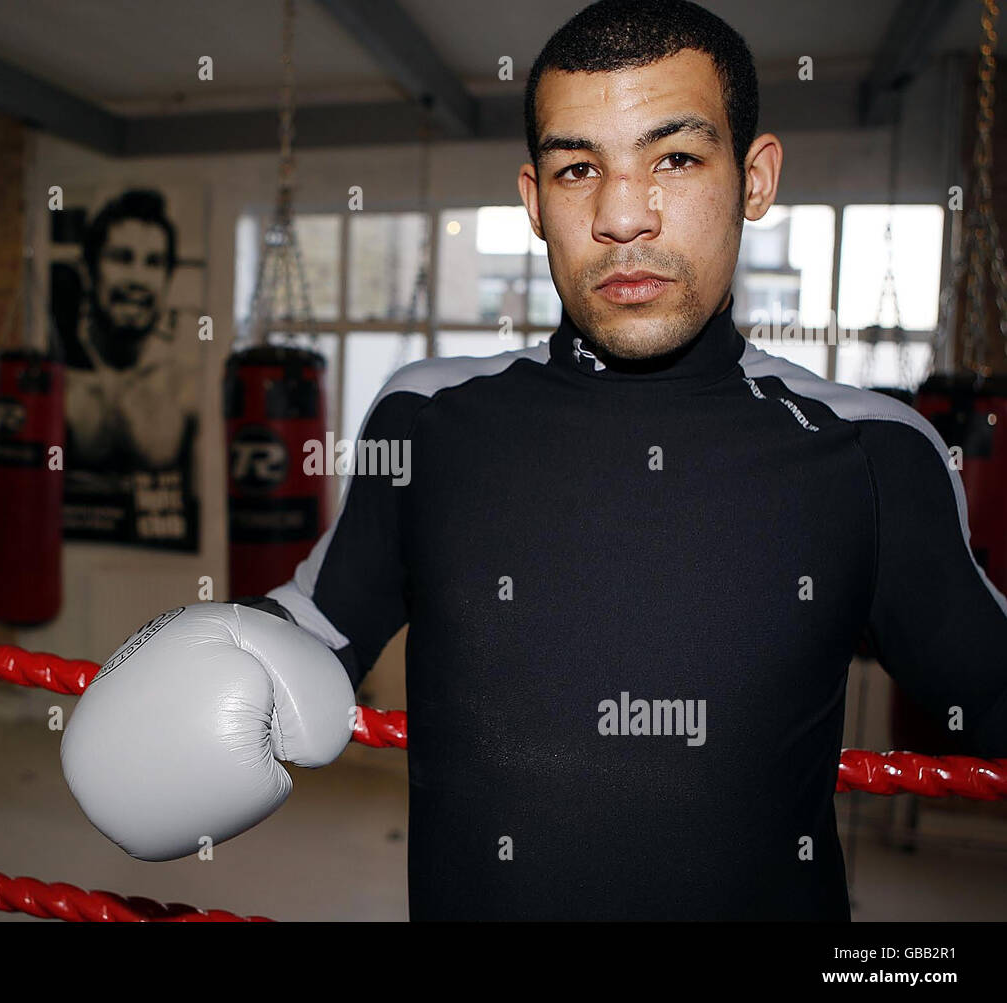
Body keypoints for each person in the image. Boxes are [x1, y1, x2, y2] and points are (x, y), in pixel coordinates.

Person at [61, 0, 1007, 920]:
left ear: (754, 179)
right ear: (533, 200)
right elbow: (317, 627)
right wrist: (200, 672)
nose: (623, 216)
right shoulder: (429, 419)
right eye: (577, 168)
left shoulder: (871, 452)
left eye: (674, 157)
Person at [63, 188, 195, 474]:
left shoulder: (186, 391)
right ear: (87, 271)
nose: (138, 278)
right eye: (121, 258)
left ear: (168, 279)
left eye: (153, 263)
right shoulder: (59, 383)